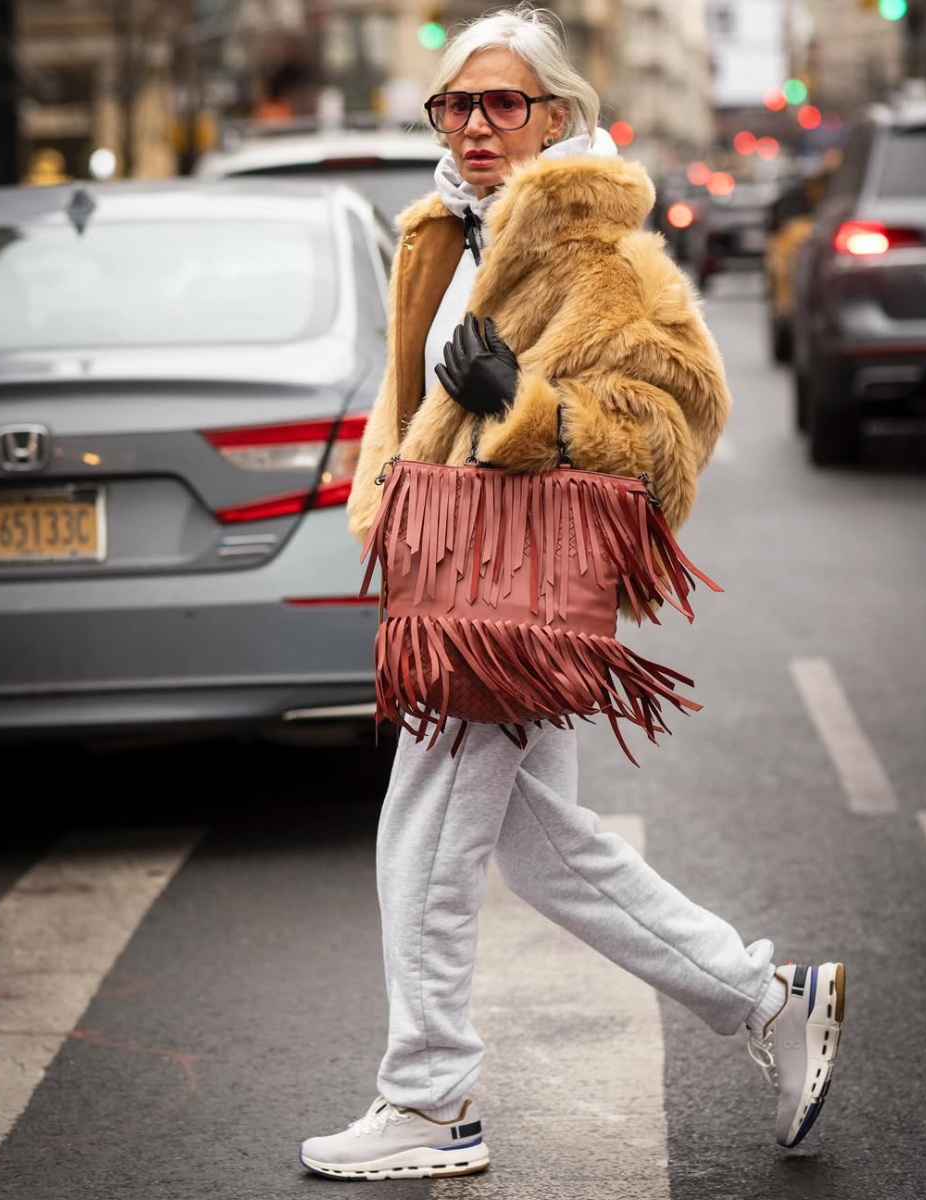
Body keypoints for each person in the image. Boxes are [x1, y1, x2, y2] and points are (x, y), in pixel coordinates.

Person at [300, 4, 845, 1181]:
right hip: (454, 573)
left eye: (505, 103)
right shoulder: (446, 232)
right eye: (458, 103)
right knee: (545, 852)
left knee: (422, 838)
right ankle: (768, 1000)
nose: (478, 124)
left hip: (511, 587)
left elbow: (677, 418)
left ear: (561, 117)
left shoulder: (594, 249)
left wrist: (529, 412)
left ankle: (429, 1099)